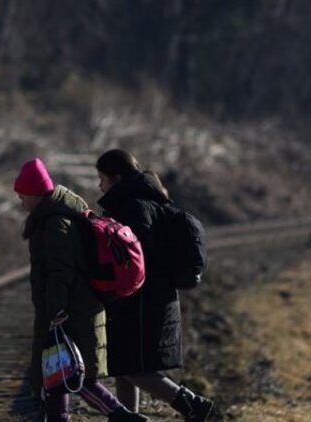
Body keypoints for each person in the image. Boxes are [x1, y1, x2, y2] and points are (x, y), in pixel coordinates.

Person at [14, 158, 148, 422]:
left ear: (34, 193)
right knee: (58, 374)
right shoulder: (54, 217)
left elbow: (60, 271)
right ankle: (110, 416)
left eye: (22, 196)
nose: (21, 202)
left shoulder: (55, 224)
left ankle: (123, 416)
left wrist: (56, 308)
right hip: (73, 308)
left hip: (72, 310)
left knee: (73, 375)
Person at [95, 149, 213, 422]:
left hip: (144, 300)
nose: (99, 185)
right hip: (146, 298)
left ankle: (190, 403)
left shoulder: (135, 207)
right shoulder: (145, 200)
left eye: (102, 179)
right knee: (124, 365)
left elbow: (137, 257)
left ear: (117, 177)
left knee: (134, 368)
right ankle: (129, 417)